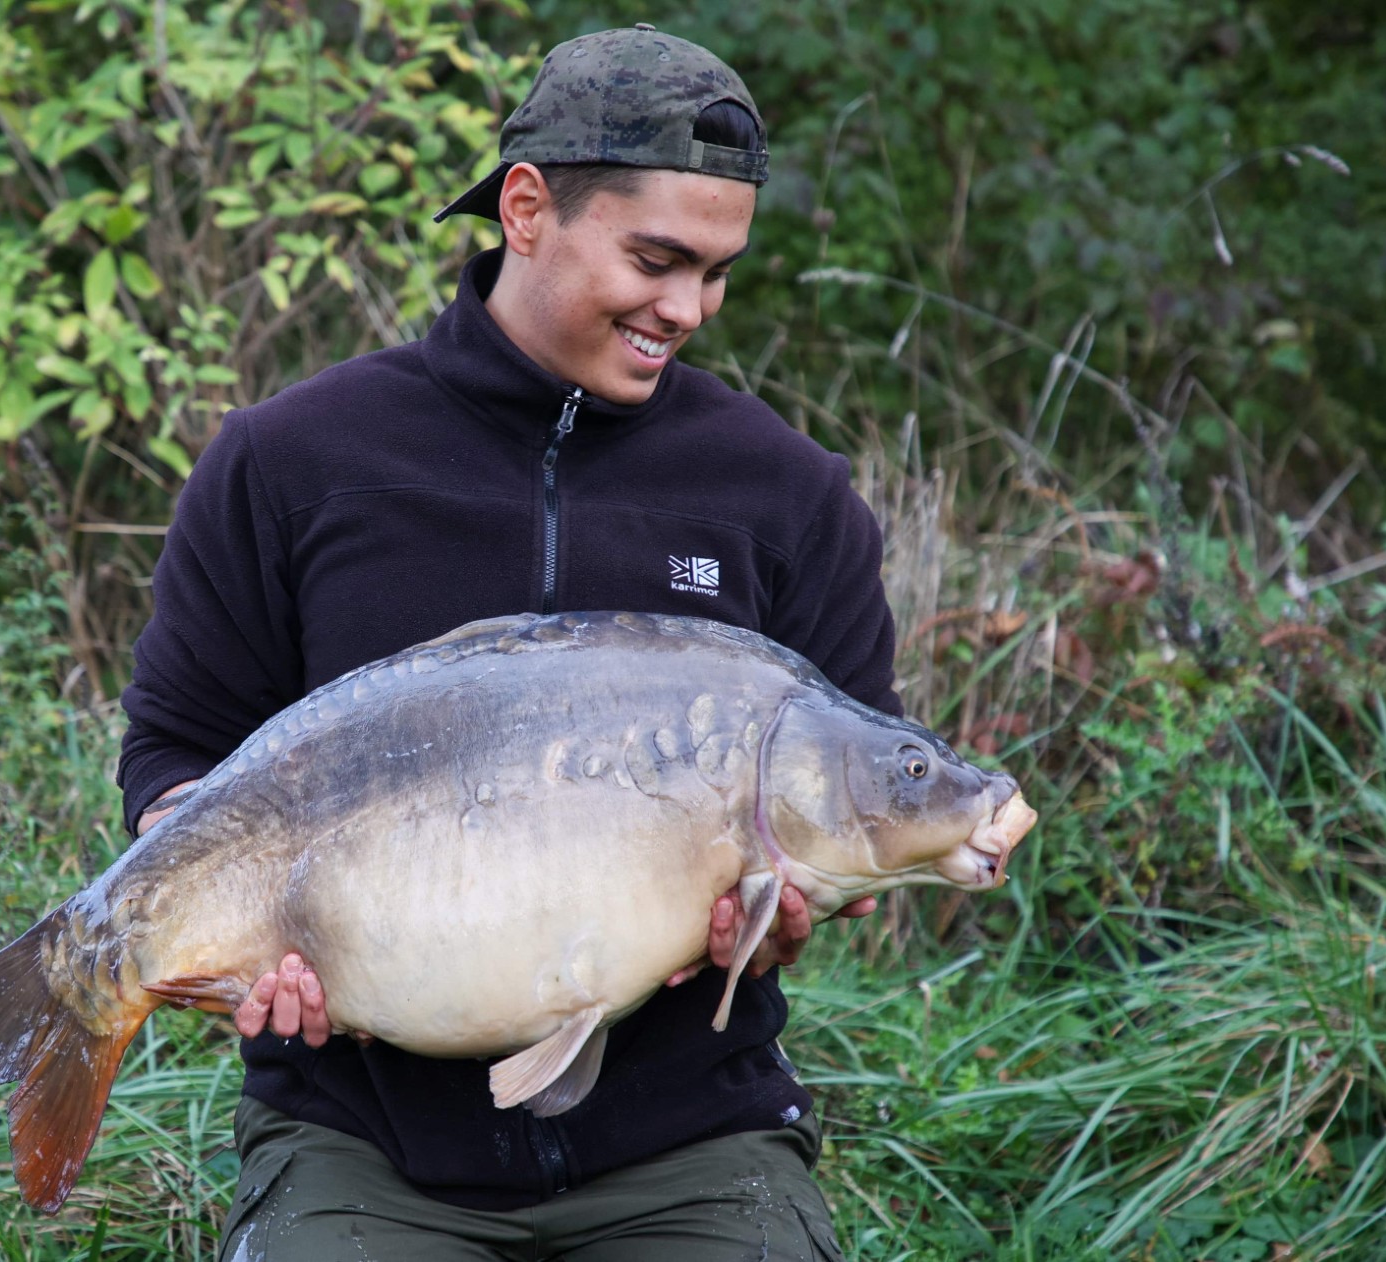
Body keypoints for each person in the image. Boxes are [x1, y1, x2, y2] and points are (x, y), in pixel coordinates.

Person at [119, 24, 900, 1260]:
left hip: (688, 1137)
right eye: (657, 258)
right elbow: (177, 749)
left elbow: (847, 786)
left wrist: (789, 908)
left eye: (719, 270)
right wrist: (215, 925)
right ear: (526, 208)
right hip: (360, 1135)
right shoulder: (291, 460)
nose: (687, 308)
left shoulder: (786, 496)